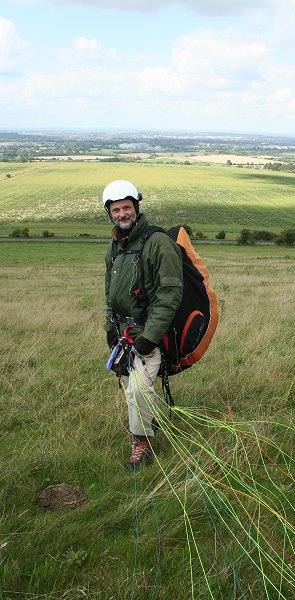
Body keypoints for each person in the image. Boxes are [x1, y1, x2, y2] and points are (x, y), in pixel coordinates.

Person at [103, 179, 183, 468]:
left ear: (136, 208)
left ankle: (141, 444)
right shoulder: (114, 247)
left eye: (126, 207)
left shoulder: (156, 242)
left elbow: (170, 293)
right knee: (132, 388)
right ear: (109, 214)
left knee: (137, 390)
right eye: (115, 210)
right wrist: (110, 328)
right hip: (124, 335)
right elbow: (109, 292)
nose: (122, 214)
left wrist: (149, 336)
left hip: (149, 335)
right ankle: (148, 424)